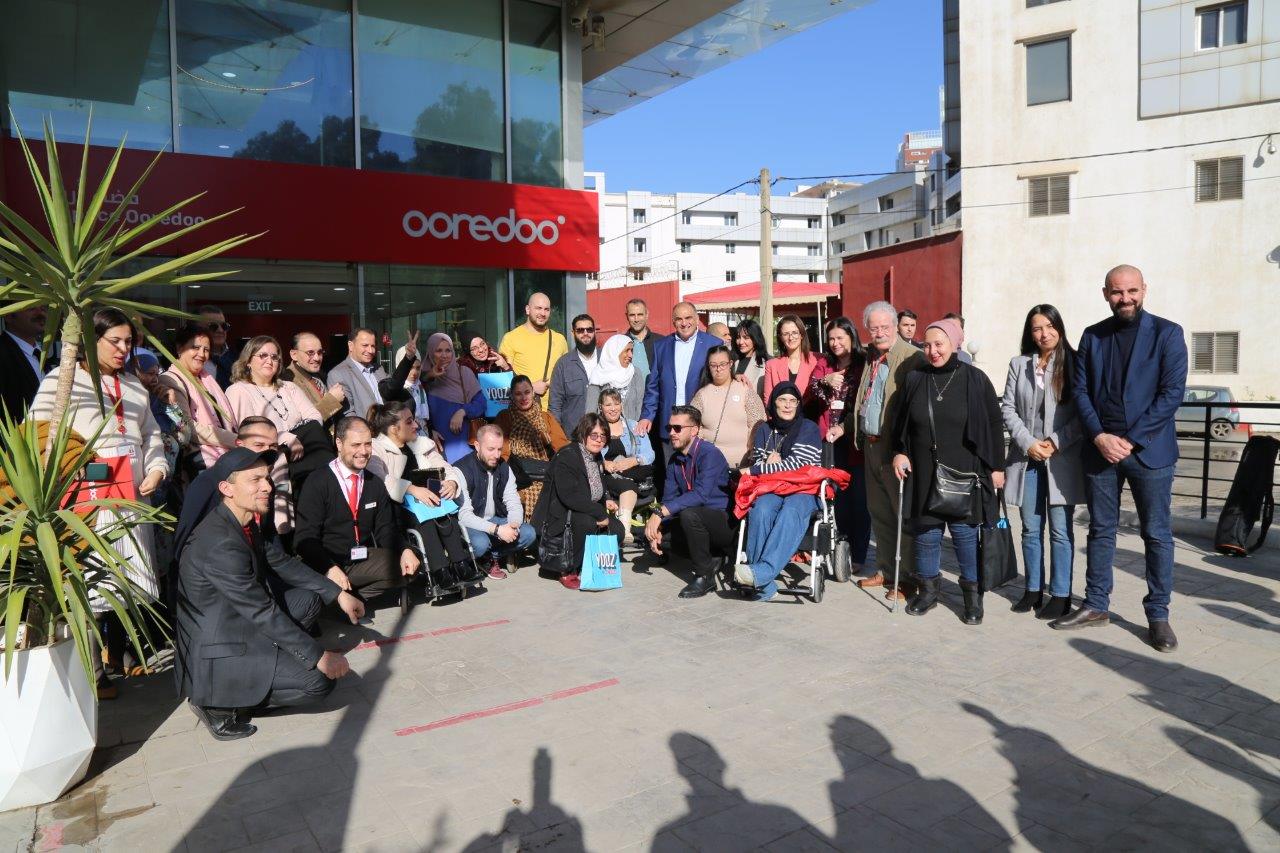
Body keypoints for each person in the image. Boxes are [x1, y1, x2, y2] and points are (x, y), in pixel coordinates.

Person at [175, 447, 362, 741]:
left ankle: (276, 660)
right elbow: (262, 611)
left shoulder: (240, 522)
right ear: (227, 488)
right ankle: (219, 704)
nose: (267, 487)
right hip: (221, 649)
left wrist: (338, 593)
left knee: (309, 600)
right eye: (255, 480)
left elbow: (281, 562)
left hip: (238, 622)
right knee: (319, 682)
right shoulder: (220, 543)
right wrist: (317, 656)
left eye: (267, 478)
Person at [30, 308, 169, 697]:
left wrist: (157, 468)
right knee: (91, 583)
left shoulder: (135, 385)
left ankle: (119, 654)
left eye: (129, 342)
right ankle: (93, 670)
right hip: (87, 498)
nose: (124, 349)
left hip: (132, 494)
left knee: (127, 581)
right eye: (115, 341)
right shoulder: (61, 381)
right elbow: (38, 434)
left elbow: (151, 434)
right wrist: (72, 466)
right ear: (91, 341)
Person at [1051, 264, 1187, 653]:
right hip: (1101, 451)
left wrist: (1129, 440)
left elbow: (1171, 394)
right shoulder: (1093, 336)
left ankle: (1158, 615)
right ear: (1105, 294)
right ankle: (1096, 605)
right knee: (1100, 529)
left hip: (1150, 452)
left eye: (1131, 291)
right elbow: (1081, 392)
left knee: (1156, 534)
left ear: (1144, 289)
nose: (1124, 298)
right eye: (1117, 292)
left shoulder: (1168, 333)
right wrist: (1099, 436)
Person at [891, 319, 1005, 624]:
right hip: (923, 469)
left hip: (965, 471)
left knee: (965, 535)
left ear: (954, 344)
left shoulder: (974, 379)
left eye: (939, 344)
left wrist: (996, 467)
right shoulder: (916, 378)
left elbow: (994, 423)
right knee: (927, 534)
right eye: (927, 345)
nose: (932, 351)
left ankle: (972, 597)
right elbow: (900, 422)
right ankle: (928, 591)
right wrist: (899, 452)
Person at [1001, 305, 1086, 620]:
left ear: (1059, 328)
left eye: (1050, 326)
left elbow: (1083, 414)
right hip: (1027, 457)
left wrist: (1054, 442)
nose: (1044, 334)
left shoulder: (1075, 363)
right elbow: (1008, 408)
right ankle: (1033, 590)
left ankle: (1061, 595)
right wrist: (1028, 443)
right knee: (1030, 528)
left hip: (1060, 458)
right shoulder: (1019, 364)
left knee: (1060, 531)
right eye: (1037, 328)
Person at [293, 416, 421, 606]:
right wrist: (329, 567)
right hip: (325, 561)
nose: (363, 451)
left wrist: (405, 550)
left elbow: (385, 529)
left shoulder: (374, 483)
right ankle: (335, 599)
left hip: (359, 559)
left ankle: (349, 600)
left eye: (368, 444)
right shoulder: (317, 482)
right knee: (312, 592)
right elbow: (304, 539)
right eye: (356, 445)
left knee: (410, 565)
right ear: (339, 443)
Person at [844, 300, 923, 598]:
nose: (879, 333)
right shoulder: (872, 356)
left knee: (902, 514)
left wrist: (904, 450)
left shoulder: (911, 358)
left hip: (895, 450)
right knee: (879, 512)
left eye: (884, 327)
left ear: (895, 326)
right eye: (874, 328)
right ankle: (887, 569)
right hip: (871, 445)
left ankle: (908, 578)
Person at [366, 401, 482, 582]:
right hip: (396, 507)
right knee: (424, 519)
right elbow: (381, 480)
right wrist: (412, 489)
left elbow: (443, 465)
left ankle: (460, 564)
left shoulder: (421, 444)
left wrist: (451, 482)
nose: (416, 425)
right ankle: (440, 571)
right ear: (394, 429)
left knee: (444, 512)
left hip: (427, 499)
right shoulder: (376, 449)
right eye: (409, 422)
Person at [733, 382, 824, 601]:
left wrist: (760, 468)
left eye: (793, 401)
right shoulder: (765, 429)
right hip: (772, 487)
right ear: (773, 403)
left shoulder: (809, 428)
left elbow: (799, 466)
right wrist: (768, 464)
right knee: (761, 510)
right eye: (782, 400)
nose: (788, 405)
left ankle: (760, 574)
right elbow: (759, 460)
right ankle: (764, 587)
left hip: (803, 488)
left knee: (791, 510)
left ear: (799, 404)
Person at [644, 405, 734, 599]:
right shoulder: (675, 460)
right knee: (656, 536)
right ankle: (713, 556)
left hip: (723, 523)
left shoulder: (710, 454)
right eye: (669, 428)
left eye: (677, 428)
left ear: (694, 430)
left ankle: (704, 576)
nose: (672, 433)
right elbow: (669, 499)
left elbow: (701, 494)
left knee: (689, 514)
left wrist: (660, 512)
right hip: (695, 521)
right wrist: (659, 526)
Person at [532, 413, 625, 590]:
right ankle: (567, 568)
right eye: (594, 435)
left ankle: (587, 562)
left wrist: (606, 499)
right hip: (560, 514)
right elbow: (569, 496)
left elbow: (597, 483)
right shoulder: (567, 456)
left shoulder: (595, 455)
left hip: (584, 508)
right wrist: (599, 513)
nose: (599, 440)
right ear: (583, 434)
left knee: (618, 529)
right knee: (587, 522)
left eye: (603, 436)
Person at [809, 317, 872, 573]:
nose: (835, 343)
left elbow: (866, 401)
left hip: (855, 441)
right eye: (831, 338)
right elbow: (811, 393)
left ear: (851, 337)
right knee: (837, 499)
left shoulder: (863, 363)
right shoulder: (825, 364)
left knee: (859, 499)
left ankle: (859, 554)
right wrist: (825, 381)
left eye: (840, 338)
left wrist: (846, 426)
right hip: (829, 440)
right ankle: (838, 551)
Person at [637, 301, 720, 474]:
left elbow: (722, 377)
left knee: (700, 472)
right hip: (670, 422)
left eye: (688, 317)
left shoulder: (713, 344)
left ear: (696, 319)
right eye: (679, 319)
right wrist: (647, 416)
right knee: (673, 473)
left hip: (701, 421)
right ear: (673, 322)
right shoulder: (661, 346)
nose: (684, 323)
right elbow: (653, 386)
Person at [225, 335, 327, 469]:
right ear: (248, 361)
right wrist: (286, 438)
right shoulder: (238, 390)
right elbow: (250, 433)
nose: (269, 361)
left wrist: (296, 438)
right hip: (270, 463)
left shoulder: (289, 387)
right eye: (263, 356)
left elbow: (315, 417)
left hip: (306, 453)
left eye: (274, 357)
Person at [456, 425, 536, 575]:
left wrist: (513, 524)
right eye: (491, 449)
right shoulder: (461, 470)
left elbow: (513, 500)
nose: (497, 455)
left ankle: (492, 557)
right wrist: (498, 530)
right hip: (471, 524)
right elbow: (464, 516)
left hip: (495, 520)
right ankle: (478, 557)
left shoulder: (504, 467)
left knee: (529, 533)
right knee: (480, 543)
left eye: (499, 449)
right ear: (477, 446)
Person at [159, 323, 239, 473]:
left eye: (206, 350)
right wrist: (235, 440)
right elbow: (189, 428)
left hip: (227, 450)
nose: (202, 354)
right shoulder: (171, 380)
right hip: (202, 459)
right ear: (179, 348)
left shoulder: (207, 378)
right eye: (195, 347)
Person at [496, 375, 571, 518]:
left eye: (527, 392)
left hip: (543, 472)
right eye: (518, 394)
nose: (524, 398)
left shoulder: (545, 417)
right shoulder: (504, 417)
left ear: (533, 392)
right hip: (518, 475)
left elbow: (561, 446)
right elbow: (502, 451)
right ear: (512, 396)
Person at [690, 345, 766, 468]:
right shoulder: (701, 395)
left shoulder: (745, 390)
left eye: (722, 364)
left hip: (743, 466)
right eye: (713, 365)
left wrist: (752, 454)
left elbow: (758, 424)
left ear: (730, 364)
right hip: (709, 466)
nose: (718, 369)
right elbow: (692, 427)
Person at [597, 387, 656, 542]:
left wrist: (633, 460)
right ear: (601, 407)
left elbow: (650, 454)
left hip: (633, 474)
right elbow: (586, 453)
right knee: (626, 485)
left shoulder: (633, 426)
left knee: (631, 481)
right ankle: (624, 529)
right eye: (608, 405)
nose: (613, 408)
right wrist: (603, 463)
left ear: (621, 405)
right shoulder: (595, 428)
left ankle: (622, 526)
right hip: (607, 476)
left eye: (616, 404)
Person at [325, 327, 417, 419]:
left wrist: (408, 357)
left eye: (373, 346)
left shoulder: (378, 369)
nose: (370, 350)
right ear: (351, 346)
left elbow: (393, 387)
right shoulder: (338, 374)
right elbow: (348, 417)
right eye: (365, 345)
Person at [422, 333, 486, 462]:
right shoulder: (422, 379)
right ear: (431, 353)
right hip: (435, 450)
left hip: (464, 446)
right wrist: (429, 430)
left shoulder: (464, 373)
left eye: (448, 350)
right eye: (439, 350)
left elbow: (481, 404)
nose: (444, 355)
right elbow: (417, 413)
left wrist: (462, 411)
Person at [498, 292, 568, 410]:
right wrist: (531, 388)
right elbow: (504, 380)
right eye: (538, 308)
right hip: (523, 413)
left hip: (555, 411)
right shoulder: (511, 338)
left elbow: (566, 375)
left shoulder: (559, 340)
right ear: (527, 309)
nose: (543, 313)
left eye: (546, 309)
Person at [282, 332, 347, 430]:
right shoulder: (287, 381)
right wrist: (332, 400)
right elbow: (302, 423)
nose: (317, 358)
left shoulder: (319, 374)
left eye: (320, 352)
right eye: (310, 353)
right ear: (294, 354)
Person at [549, 314, 598, 429]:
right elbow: (555, 405)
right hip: (573, 433)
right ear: (573, 333)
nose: (585, 333)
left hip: (603, 433)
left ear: (595, 331)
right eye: (580, 330)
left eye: (589, 330)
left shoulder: (606, 359)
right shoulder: (563, 364)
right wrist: (557, 434)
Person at [0, 304, 47, 421]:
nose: (40, 313)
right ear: (8, 316)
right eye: (31, 308)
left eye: (43, 308)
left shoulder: (42, 354)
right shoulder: (2, 353)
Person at [583, 334, 645, 421]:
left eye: (631, 350)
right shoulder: (599, 375)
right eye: (627, 350)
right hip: (605, 429)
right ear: (615, 351)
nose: (630, 355)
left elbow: (640, 406)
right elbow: (590, 413)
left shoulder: (635, 373)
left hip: (632, 428)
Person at [763, 314, 820, 401]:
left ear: (801, 334)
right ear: (781, 337)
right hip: (780, 410)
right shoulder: (771, 365)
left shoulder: (817, 360)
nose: (790, 337)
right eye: (786, 334)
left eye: (794, 333)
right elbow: (768, 400)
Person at [197, 305, 238, 389]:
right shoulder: (191, 359)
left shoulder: (238, 358)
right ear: (198, 329)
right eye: (213, 326)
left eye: (224, 326)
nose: (220, 330)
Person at [625, 298, 661, 382]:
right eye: (632, 315)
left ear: (647, 315)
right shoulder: (621, 344)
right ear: (626, 316)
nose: (636, 319)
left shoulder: (660, 342)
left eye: (640, 314)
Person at [732, 319, 770, 398]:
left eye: (746, 338)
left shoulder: (768, 363)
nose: (741, 342)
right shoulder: (732, 361)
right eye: (738, 337)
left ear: (755, 339)